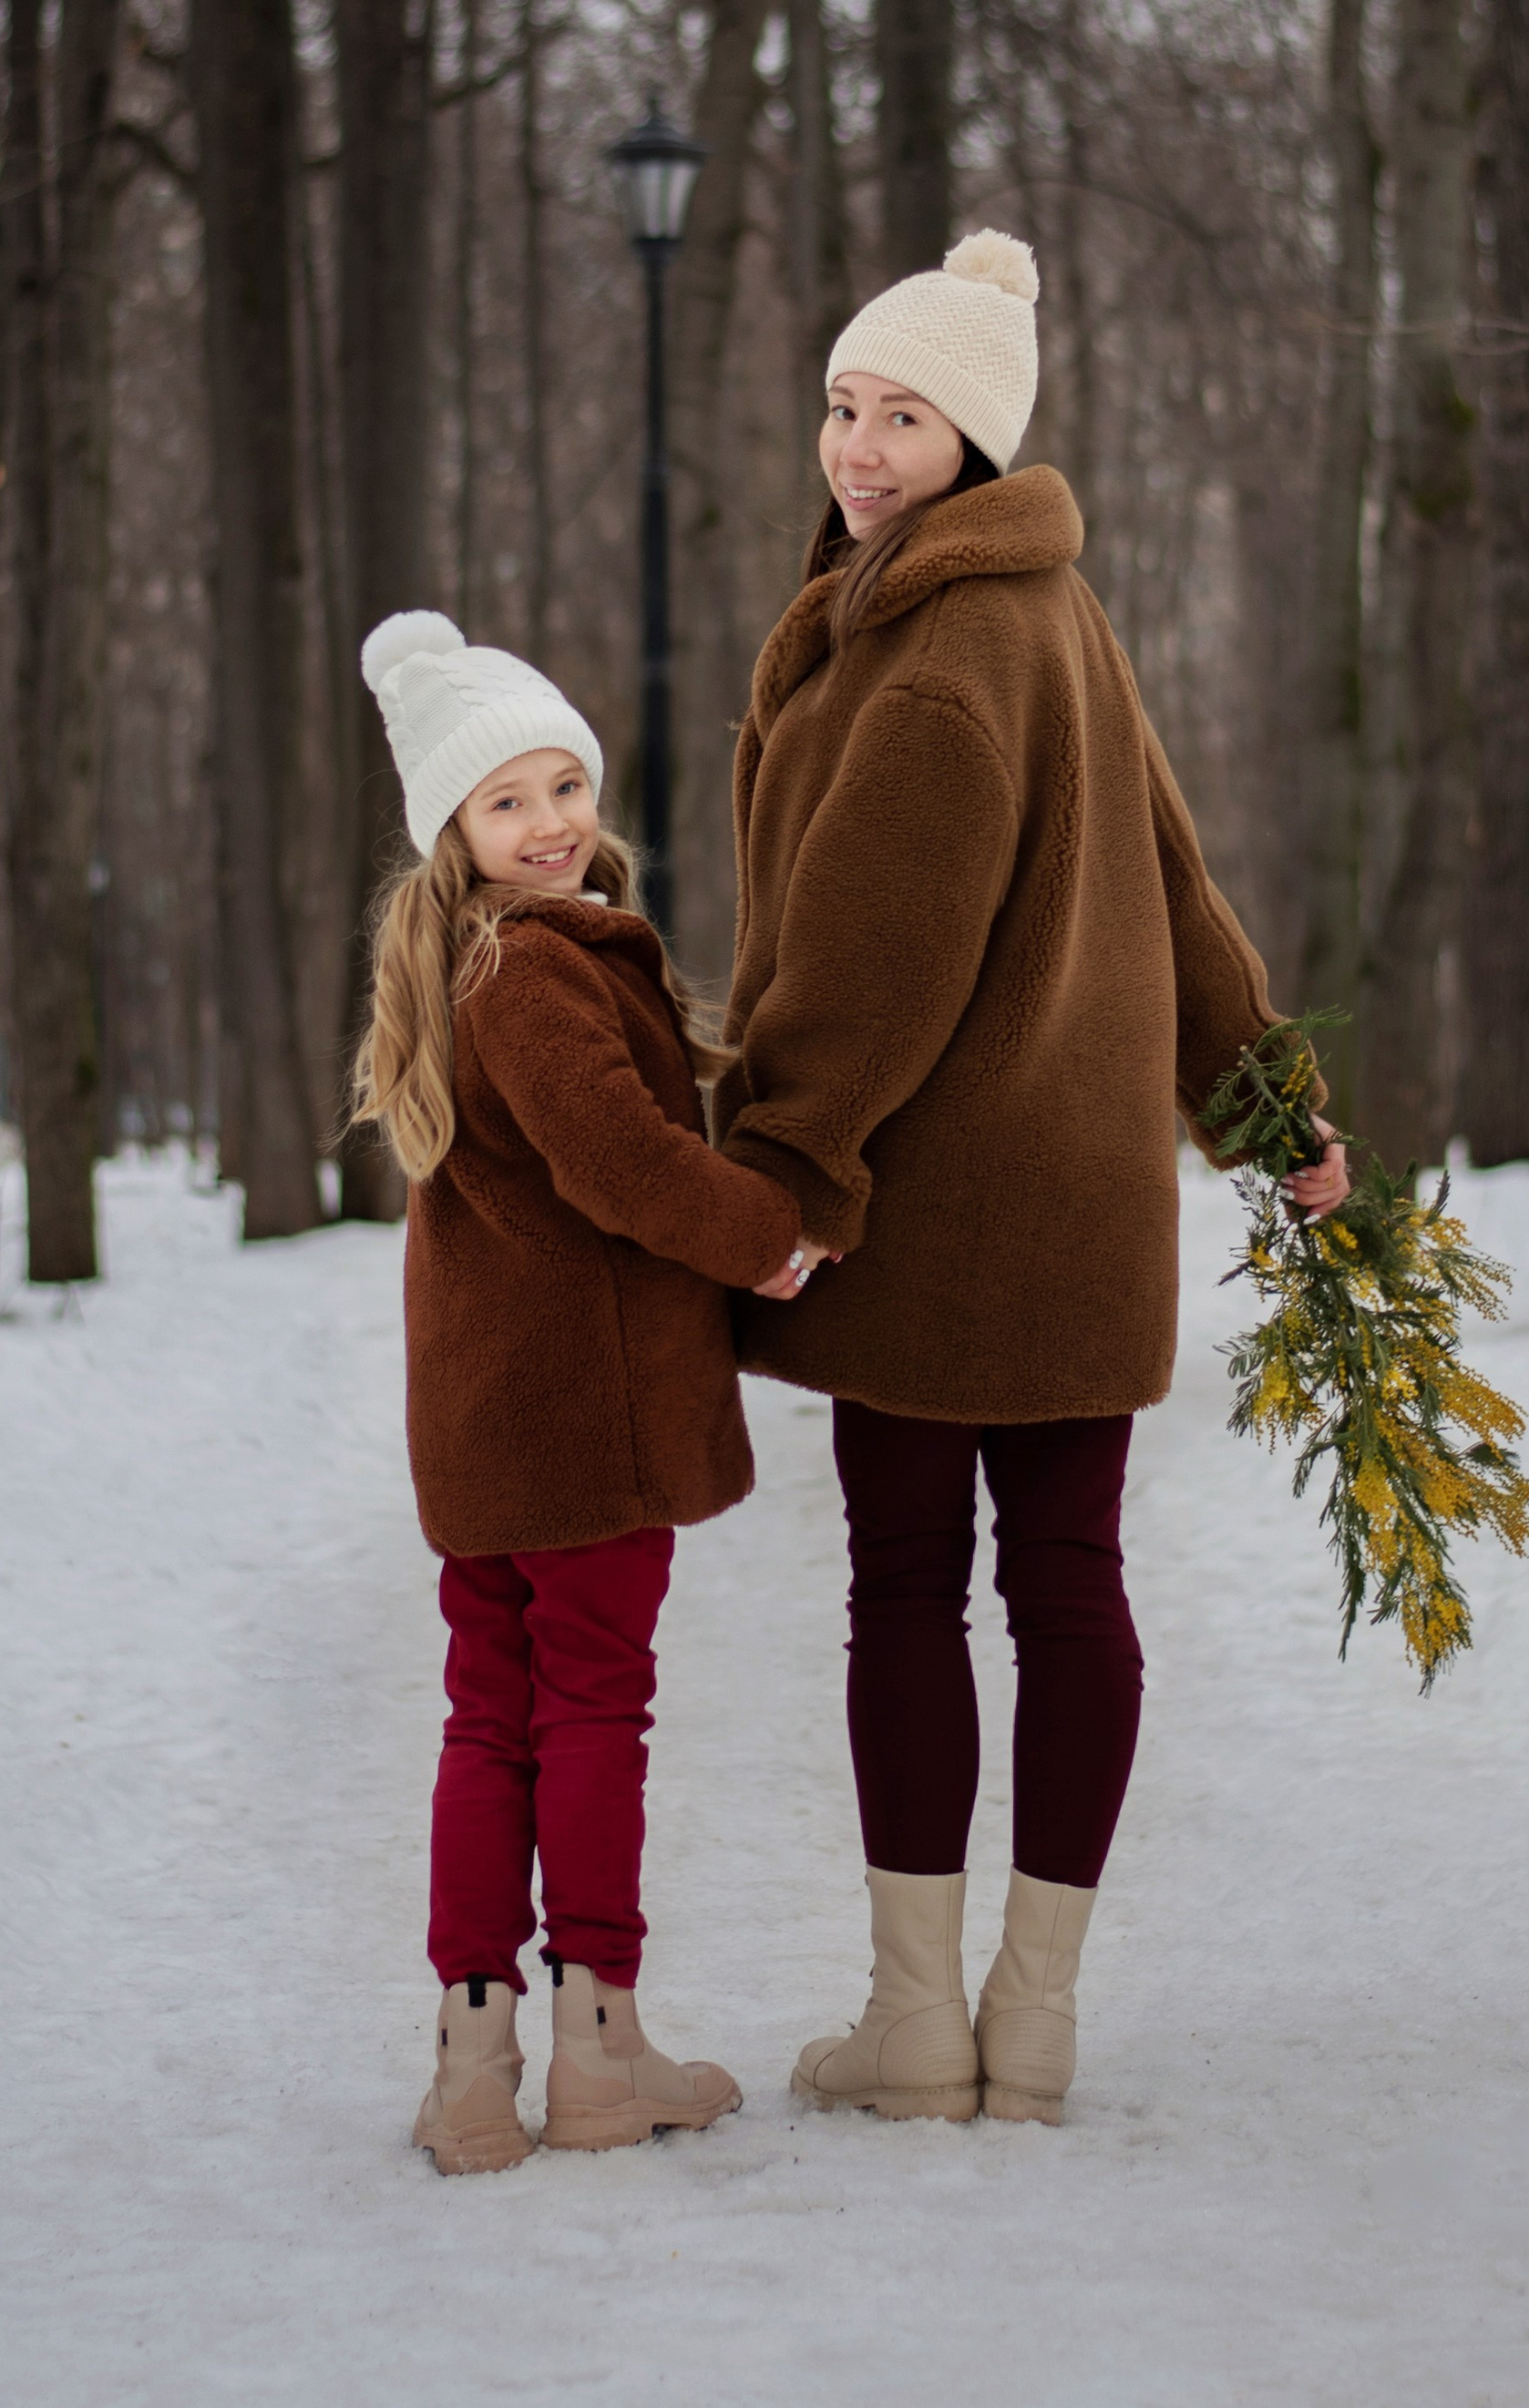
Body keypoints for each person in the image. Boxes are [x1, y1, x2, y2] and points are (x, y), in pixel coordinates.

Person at [713, 231, 1348, 2126]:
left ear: (973, 440)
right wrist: (1266, 1102)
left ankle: (919, 2027)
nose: (856, 445)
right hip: (1078, 1212)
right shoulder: (1048, 611)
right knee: (1066, 1584)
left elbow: (871, 953)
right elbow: (1175, 870)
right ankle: (1029, 2022)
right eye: (840, 404)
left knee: (910, 1589)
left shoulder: (935, 649)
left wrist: (791, 1173)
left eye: (900, 415)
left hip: (925, 1211)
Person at [354, 610, 805, 2176]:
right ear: (454, 835)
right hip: (585, 1425)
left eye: (564, 786)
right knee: (592, 1707)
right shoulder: (531, 974)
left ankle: (475, 2068)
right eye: (507, 803)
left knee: (491, 1721)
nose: (549, 825)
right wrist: (764, 1240)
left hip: (483, 1425)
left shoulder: (463, 970)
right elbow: (620, 1164)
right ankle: (599, 2055)